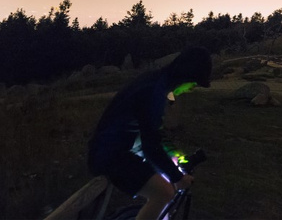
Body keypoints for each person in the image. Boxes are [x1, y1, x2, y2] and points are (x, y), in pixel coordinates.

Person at [86, 47, 211, 220]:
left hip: (118, 150)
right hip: (109, 155)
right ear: (186, 75)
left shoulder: (156, 83)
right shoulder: (154, 91)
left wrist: (173, 156)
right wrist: (177, 177)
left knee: (164, 180)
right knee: (164, 192)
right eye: (194, 83)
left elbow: (154, 133)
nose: (191, 88)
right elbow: (150, 144)